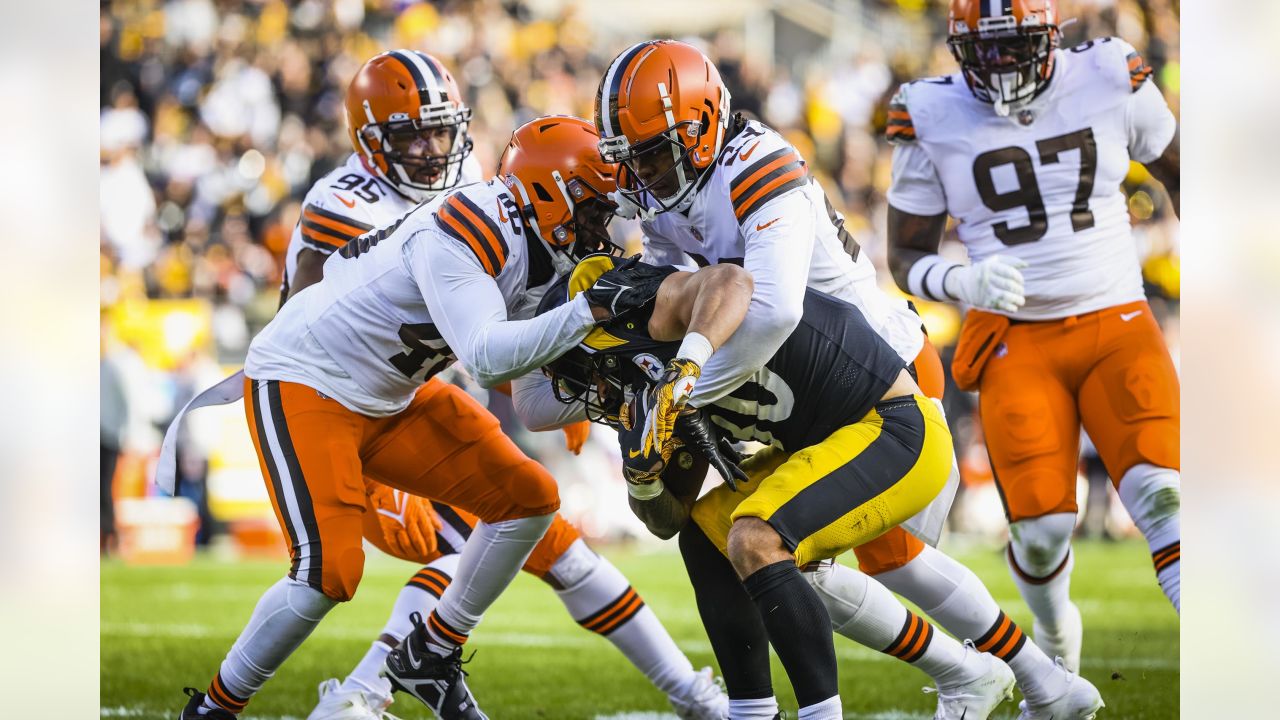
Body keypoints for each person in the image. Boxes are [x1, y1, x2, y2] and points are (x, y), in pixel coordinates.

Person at [557, 38, 1098, 720]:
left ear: (700, 131)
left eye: (654, 153)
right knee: (775, 550)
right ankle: (1023, 680)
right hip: (796, 391)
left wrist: (683, 390)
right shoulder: (669, 198)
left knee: (843, 554)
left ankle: (992, 675)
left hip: (880, 367)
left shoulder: (756, 163)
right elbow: (693, 304)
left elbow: (775, 309)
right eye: (630, 157)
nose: (642, 174)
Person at [265, 50, 723, 720]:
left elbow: (504, 308)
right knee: (475, 550)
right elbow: (319, 325)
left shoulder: (477, 188)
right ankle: (364, 692)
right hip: (356, 410)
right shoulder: (345, 202)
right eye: (410, 133)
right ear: (370, 138)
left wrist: (559, 380)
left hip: (428, 400)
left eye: (440, 129)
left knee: (560, 550)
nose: (431, 149)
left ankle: (692, 697)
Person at [174, 114, 645, 720]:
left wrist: (614, 398)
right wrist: (587, 312)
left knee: (528, 497)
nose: (603, 226)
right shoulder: (470, 223)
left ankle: (432, 650)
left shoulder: (542, 245)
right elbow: (484, 356)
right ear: (552, 192)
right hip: (308, 380)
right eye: (595, 209)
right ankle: (215, 708)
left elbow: (524, 396)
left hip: (392, 395)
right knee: (329, 572)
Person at [539, 256, 1103, 720]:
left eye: (586, 375)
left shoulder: (672, 315)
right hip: (825, 443)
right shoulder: (648, 387)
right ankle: (754, 714)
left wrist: (688, 368)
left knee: (757, 540)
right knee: (706, 537)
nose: (596, 393)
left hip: (894, 427)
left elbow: (732, 278)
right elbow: (668, 519)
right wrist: (641, 480)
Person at [884, 0, 1181, 679]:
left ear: (1052, 37)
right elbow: (904, 258)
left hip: (1117, 321)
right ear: (958, 47)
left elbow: (1182, 174)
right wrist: (964, 283)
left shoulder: (1108, 73)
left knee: (1163, 497)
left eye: (1016, 45)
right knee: (1042, 536)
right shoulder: (931, 110)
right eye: (984, 50)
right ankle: (1054, 637)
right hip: (1019, 340)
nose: (1002, 64)